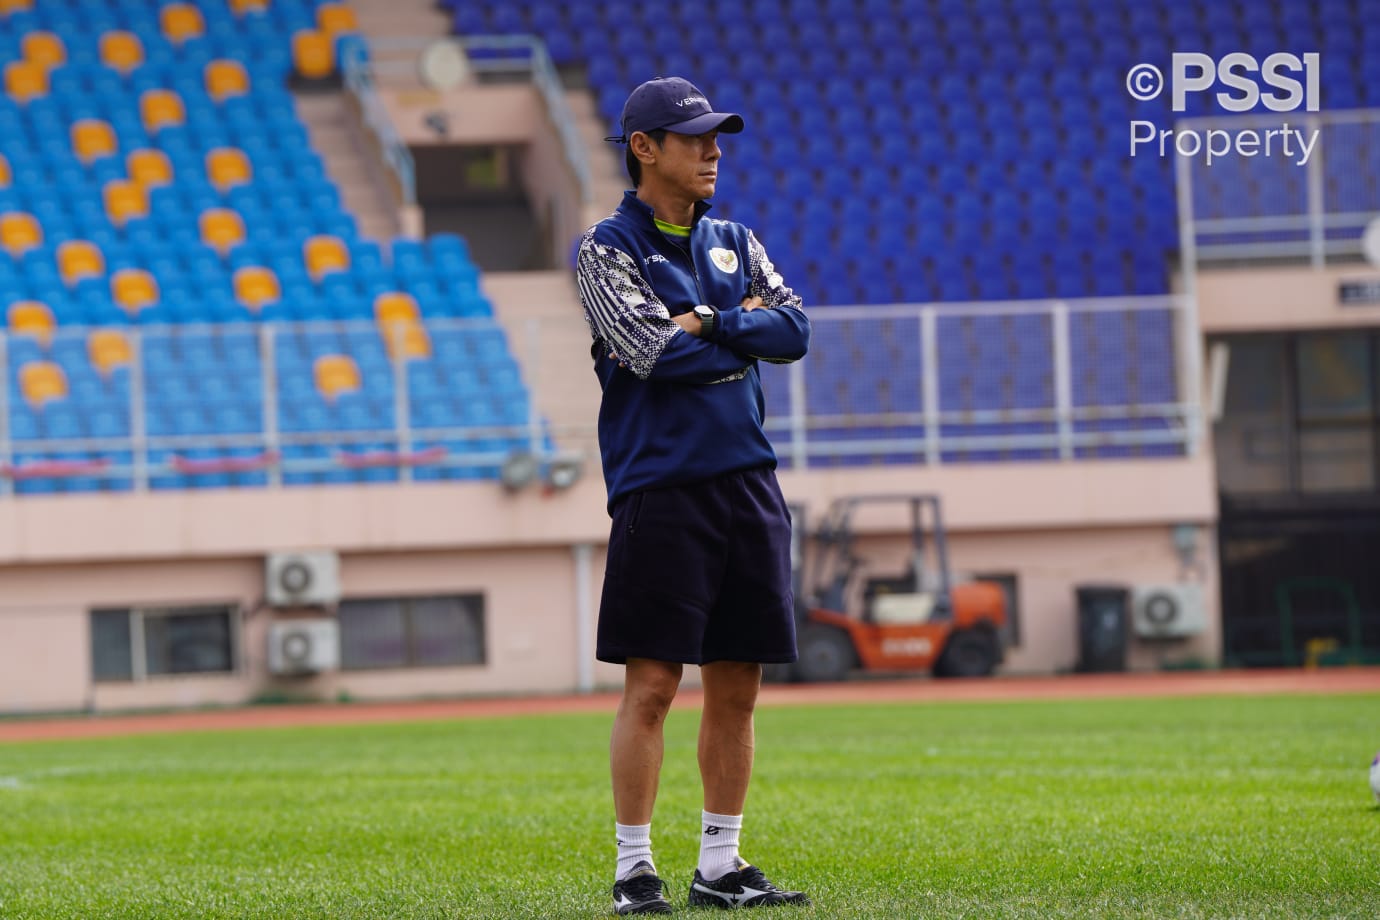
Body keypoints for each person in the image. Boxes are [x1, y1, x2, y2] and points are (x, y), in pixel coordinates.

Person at [574, 77, 812, 914]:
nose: (713, 152)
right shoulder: (605, 248)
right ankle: (634, 869)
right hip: (661, 489)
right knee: (653, 685)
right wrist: (735, 329)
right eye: (694, 138)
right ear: (644, 147)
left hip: (746, 480)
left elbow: (794, 330)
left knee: (738, 681)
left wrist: (708, 322)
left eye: (716, 138)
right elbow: (648, 353)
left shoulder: (735, 238)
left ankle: (721, 864)